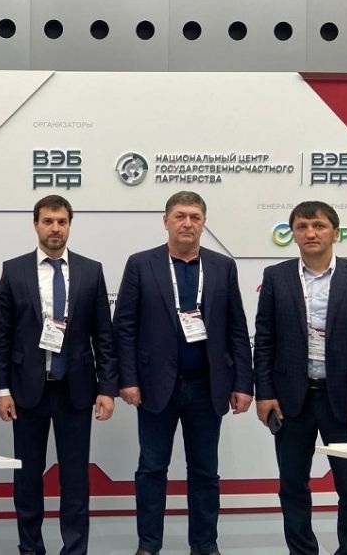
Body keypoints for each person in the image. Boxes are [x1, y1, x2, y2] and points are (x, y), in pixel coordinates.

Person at [113, 191, 253, 555]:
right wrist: (127, 379)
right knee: (151, 469)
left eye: (194, 216)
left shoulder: (223, 267)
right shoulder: (141, 264)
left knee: (205, 472)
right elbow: (124, 327)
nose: (187, 223)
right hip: (154, 386)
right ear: (166, 221)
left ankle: (205, 545)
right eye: (179, 216)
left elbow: (237, 329)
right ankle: (148, 545)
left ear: (204, 222)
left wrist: (243, 382)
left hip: (207, 386)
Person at [254, 201, 347, 555]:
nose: (310, 233)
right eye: (301, 226)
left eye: (318, 225)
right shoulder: (276, 276)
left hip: (346, 402)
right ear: (292, 234)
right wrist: (264, 394)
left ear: (335, 232)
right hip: (291, 401)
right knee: (292, 488)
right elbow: (264, 341)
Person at [0, 194, 118, 555]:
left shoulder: (91, 271)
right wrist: (2, 389)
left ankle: (75, 549)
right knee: (27, 478)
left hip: (75, 391)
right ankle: (30, 548)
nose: (55, 228)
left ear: (69, 226)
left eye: (62, 221)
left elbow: (103, 335)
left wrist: (107, 388)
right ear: (36, 224)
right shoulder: (14, 270)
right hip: (27, 391)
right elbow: (3, 336)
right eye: (48, 221)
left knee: (75, 479)